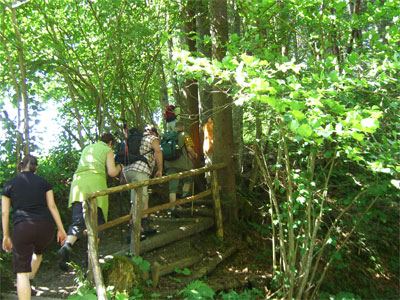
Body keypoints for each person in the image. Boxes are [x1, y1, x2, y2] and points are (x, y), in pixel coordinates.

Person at [2, 155, 67, 300]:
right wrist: (61, 229)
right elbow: (52, 206)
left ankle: (26, 280)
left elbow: (5, 212)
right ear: (36, 167)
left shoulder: (9, 184)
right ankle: (30, 280)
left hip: (23, 227)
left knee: (21, 272)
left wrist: (6, 235)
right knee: (38, 253)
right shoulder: (44, 182)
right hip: (46, 227)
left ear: (20, 166)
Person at [57, 133, 123, 271]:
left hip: (78, 184)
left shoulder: (88, 147)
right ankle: (90, 259)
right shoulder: (107, 149)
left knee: (78, 222)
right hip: (95, 184)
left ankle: (66, 246)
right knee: (97, 222)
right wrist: (120, 167)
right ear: (110, 143)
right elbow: (111, 172)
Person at [123, 126, 163, 237]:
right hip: (139, 170)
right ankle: (133, 231)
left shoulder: (132, 138)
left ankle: (144, 225)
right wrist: (160, 170)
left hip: (128, 170)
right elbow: (158, 152)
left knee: (142, 197)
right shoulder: (151, 138)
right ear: (152, 132)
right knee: (138, 199)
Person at [164, 122, 198, 216]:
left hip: (169, 164)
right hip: (183, 164)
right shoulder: (184, 134)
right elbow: (189, 149)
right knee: (188, 180)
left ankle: (172, 209)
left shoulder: (167, 136)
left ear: (175, 127)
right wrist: (194, 155)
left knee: (172, 188)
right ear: (182, 127)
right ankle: (184, 198)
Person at [202, 117, 213, 187]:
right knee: (211, 167)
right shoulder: (212, 125)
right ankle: (210, 185)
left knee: (208, 166)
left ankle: (208, 184)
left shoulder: (205, 125)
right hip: (211, 147)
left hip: (207, 148)